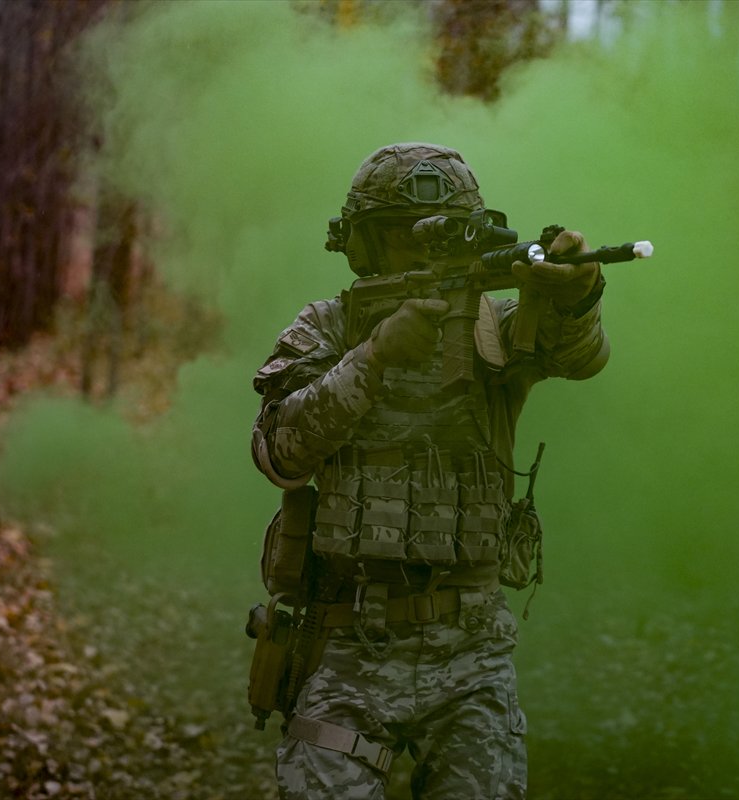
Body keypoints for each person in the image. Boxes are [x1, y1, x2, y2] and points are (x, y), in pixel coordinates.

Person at [250, 142, 609, 800]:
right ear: (363, 248)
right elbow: (280, 453)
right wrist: (374, 357)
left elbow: (577, 354)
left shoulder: (493, 329)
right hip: (349, 644)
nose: (422, 256)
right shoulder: (326, 331)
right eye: (400, 238)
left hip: (470, 652)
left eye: (440, 240)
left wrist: (577, 295)